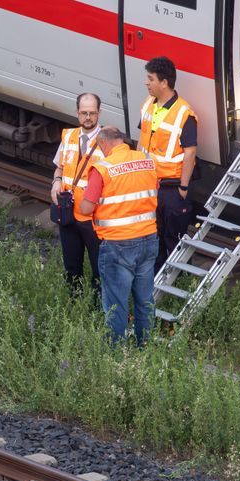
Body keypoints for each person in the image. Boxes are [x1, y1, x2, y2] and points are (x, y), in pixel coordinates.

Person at [79, 127, 159, 347]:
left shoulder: (103, 168)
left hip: (118, 244)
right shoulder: (146, 160)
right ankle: (146, 347)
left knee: (116, 302)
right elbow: (152, 190)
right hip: (148, 238)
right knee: (145, 300)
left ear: (104, 144)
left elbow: (86, 209)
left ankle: (115, 353)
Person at [137, 56, 196, 273]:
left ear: (164, 82)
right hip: (149, 186)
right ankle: (158, 279)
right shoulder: (147, 105)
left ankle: (179, 280)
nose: (147, 82)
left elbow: (190, 153)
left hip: (171, 188)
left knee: (174, 238)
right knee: (155, 236)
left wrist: (183, 188)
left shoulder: (183, 113)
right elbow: (142, 141)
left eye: (150, 79)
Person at [50, 93, 104, 304]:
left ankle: (98, 308)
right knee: (71, 265)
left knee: (99, 268)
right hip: (69, 213)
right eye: (84, 113)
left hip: (94, 218)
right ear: (77, 112)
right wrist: (56, 182)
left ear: (99, 113)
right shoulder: (69, 137)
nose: (88, 117)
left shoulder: (106, 142)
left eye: (92, 113)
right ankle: (75, 303)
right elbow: (60, 167)